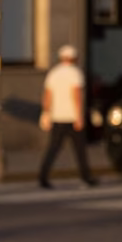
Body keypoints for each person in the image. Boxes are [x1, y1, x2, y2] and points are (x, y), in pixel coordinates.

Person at [38, 44, 98, 189]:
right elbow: (76, 95)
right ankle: (86, 177)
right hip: (71, 117)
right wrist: (79, 116)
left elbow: (47, 95)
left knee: (53, 148)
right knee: (80, 149)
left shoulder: (53, 73)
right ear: (74, 58)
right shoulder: (75, 73)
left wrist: (46, 112)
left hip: (57, 117)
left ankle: (43, 177)